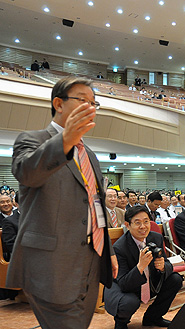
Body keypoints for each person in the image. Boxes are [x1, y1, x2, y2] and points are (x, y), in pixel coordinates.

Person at [7, 76, 118, 328]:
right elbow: (29, 173)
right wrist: (65, 140)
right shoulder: (32, 140)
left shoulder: (88, 154)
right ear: (58, 103)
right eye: (82, 100)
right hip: (51, 266)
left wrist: (108, 251)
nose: (90, 108)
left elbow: (95, 203)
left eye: (93, 103)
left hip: (90, 259)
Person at [104, 205, 182, 328]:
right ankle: (121, 322)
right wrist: (140, 267)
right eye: (137, 223)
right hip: (123, 287)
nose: (143, 226)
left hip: (148, 282)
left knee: (175, 279)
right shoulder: (119, 247)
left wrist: (162, 267)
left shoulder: (156, 237)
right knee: (129, 302)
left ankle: (153, 317)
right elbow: (123, 283)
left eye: (146, 222)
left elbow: (168, 264)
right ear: (127, 225)